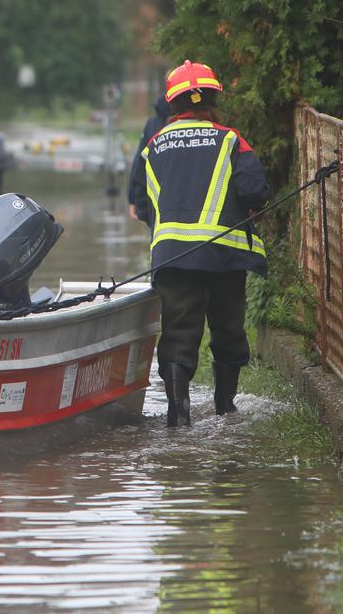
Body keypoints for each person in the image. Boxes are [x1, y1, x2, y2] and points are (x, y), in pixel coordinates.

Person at [134, 60, 271, 427]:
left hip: (173, 257)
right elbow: (255, 190)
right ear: (212, 98)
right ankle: (226, 408)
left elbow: (148, 206)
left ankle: (178, 416)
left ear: (173, 104)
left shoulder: (153, 146)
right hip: (224, 254)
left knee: (178, 332)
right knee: (228, 328)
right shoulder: (230, 140)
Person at [127, 92, 170, 223]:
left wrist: (133, 198)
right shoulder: (201, 120)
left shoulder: (152, 124)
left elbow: (139, 163)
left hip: (155, 201)